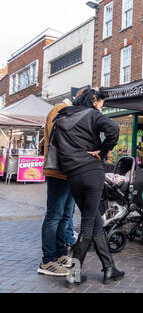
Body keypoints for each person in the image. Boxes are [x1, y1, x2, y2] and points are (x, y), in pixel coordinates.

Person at [53, 89, 124, 288]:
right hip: (91, 173)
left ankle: (109, 269)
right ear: (94, 101)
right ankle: (74, 274)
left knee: (93, 222)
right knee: (87, 224)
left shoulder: (62, 118)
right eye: (101, 104)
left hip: (73, 177)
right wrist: (102, 151)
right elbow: (113, 128)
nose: (101, 107)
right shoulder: (92, 114)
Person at [38, 98, 77, 277]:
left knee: (66, 216)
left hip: (68, 172)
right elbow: (60, 138)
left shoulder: (69, 111)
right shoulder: (60, 110)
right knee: (54, 215)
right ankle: (47, 260)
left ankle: (60, 254)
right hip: (58, 171)